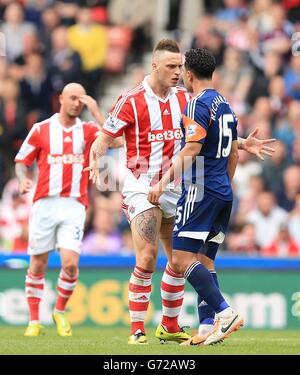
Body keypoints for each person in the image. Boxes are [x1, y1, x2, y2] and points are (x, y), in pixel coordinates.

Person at [86, 39, 276, 345]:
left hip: (178, 185)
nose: (177, 72)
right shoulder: (131, 100)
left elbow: (199, 138)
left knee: (178, 259)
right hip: (142, 183)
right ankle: (137, 329)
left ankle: (170, 325)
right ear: (155, 66)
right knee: (147, 257)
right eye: (171, 66)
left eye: (180, 67)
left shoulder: (185, 101)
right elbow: (104, 137)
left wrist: (239, 143)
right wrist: (96, 160)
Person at [147, 48, 247, 346]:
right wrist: (224, 186)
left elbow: (191, 148)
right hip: (222, 191)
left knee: (179, 259)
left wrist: (163, 181)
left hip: (200, 191)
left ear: (189, 74)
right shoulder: (225, 104)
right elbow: (232, 150)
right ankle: (207, 327)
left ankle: (225, 313)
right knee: (205, 260)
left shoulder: (195, 105)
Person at [15, 83, 108, 337]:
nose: (77, 103)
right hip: (45, 203)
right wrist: (23, 178)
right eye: (73, 98)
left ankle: (59, 311)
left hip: (74, 205)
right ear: (61, 99)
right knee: (37, 264)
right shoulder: (41, 129)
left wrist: (96, 111)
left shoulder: (88, 130)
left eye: (81, 99)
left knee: (70, 264)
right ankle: (34, 321)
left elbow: (117, 140)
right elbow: (22, 161)